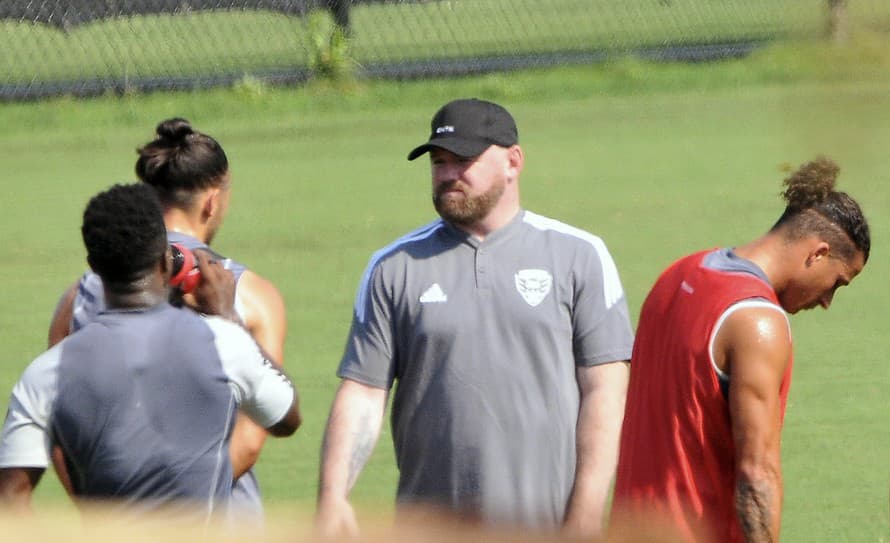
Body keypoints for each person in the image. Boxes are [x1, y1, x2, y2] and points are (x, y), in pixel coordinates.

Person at [315, 98, 634, 538]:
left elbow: (605, 391)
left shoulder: (579, 256)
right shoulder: (394, 266)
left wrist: (586, 511)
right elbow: (364, 394)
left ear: (513, 161)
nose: (447, 174)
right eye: (439, 162)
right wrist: (333, 496)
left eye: (463, 161)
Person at [0, 183, 301, 519]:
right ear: (165, 260)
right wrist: (228, 316)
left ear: (94, 267)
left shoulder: (48, 373)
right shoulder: (223, 343)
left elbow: (10, 496)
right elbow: (287, 419)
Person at [611, 157, 870, 542]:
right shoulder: (757, 321)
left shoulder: (679, 273)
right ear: (817, 253)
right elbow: (757, 474)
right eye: (837, 282)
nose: (827, 300)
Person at [46, 118, 286, 517]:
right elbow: (251, 438)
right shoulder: (253, 296)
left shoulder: (80, 295)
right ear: (213, 201)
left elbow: (58, 434)